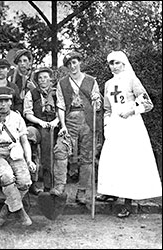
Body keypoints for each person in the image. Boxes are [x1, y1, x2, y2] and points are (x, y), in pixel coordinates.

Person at [96, 50, 162, 218]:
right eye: (111, 63)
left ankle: (128, 204)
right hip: (115, 126)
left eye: (117, 62)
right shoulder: (109, 84)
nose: (114, 66)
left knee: (129, 162)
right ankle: (111, 192)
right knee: (112, 160)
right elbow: (107, 109)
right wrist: (107, 126)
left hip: (131, 125)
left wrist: (131, 111)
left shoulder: (132, 79)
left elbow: (147, 103)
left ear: (124, 63)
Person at [49, 51, 102, 205]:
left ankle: (82, 191)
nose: (72, 66)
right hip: (70, 120)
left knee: (88, 157)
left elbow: (97, 105)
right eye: (69, 64)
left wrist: (96, 100)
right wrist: (63, 125)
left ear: (79, 62)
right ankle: (59, 186)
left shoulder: (91, 81)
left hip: (87, 120)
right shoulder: (62, 83)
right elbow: (60, 105)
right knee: (60, 149)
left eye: (74, 62)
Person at [0, 86, 36, 227]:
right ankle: (20, 212)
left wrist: (29, 160)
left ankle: (4, 212)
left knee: (25, 181)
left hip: (15, 152)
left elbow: (24, 141)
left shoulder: (17, 118)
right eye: (0, 101)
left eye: (6, 101)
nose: (2, 104)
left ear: (11, 102)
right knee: (7, 176)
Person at [23, 67, 59, 195]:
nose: (43, 80)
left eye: (45, 77)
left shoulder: (56, 93)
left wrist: (56, 121)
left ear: (50, 79)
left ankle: (50, 186)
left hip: (55, 126)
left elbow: (62, 109)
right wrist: (40, 122)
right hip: (37, 125)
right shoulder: (32, 93)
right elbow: (27, 113)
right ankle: (32, 183)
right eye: (40, 78)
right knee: (29, 138)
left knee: (49, 153)